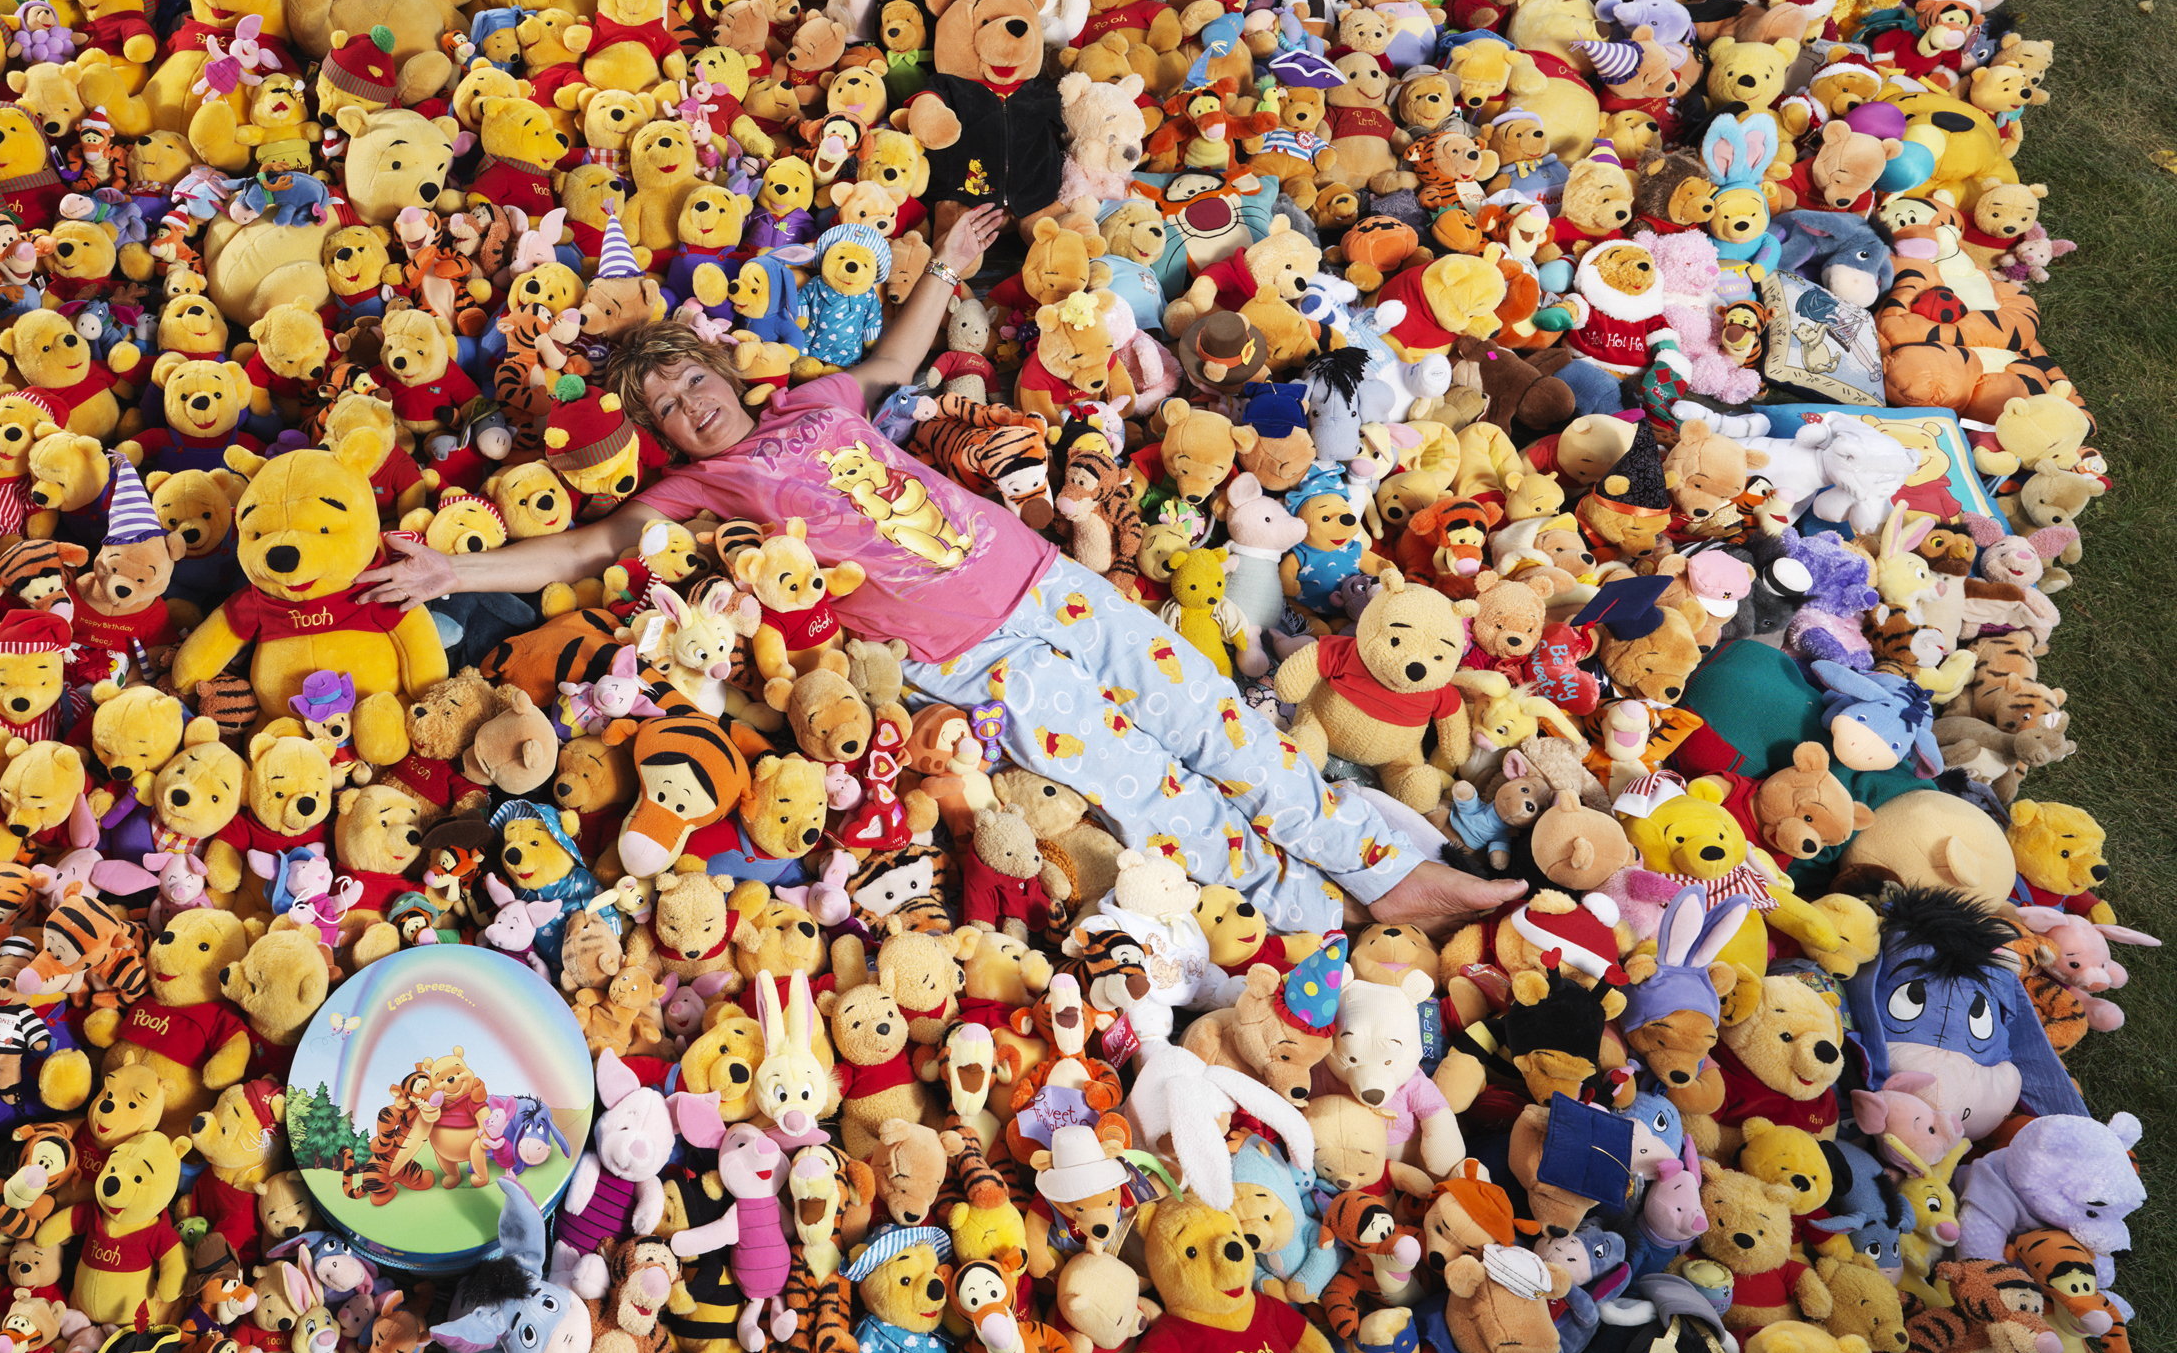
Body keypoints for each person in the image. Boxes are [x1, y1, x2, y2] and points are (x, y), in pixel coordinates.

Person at [360, 203, 1520, 934]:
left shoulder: (812, 402)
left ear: (720, 372)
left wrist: (948, 267)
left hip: (1046, 582)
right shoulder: (700, 491)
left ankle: (1388, 870)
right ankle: (1328, 915)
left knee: (1214, 719)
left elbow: (892, 362)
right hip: (973, 661)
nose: (687, 404)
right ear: (662, 435)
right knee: (1146, 788)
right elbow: (582, 546)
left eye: (689, 380)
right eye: (665, 406)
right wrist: (446, 576)